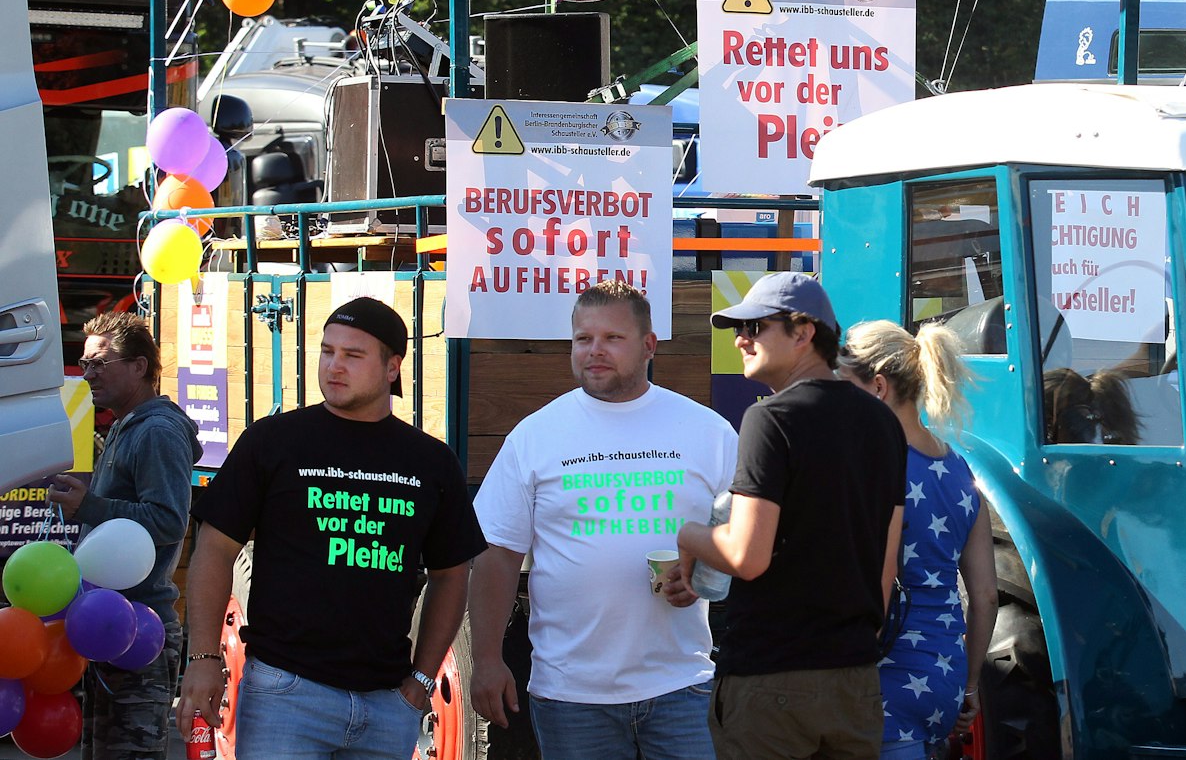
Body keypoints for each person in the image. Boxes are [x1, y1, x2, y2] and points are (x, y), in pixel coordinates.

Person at [176, 297, 486, 760]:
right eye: (327, 351)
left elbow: (451, 574)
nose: (333, 366)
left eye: (353, 355)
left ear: (392, 367)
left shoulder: (430, 461)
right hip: (286, 697)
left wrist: (420, 683)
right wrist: (203, 658)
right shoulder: (273, 442)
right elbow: (215, 548)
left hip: (387, 706)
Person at [469, 282, 737, 759]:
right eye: (582, 339)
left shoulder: (707, 430)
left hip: (683, 685)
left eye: (613, 338)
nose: (595, 351)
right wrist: (486, 658)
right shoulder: (536, 435)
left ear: (649, 345)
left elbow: (741, 534)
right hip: (572, 695)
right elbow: (498, 552)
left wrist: (704, 578)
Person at [677, 272, 906, 760]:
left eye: (756, 327)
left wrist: (689, 536)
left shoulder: (770, 418)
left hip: (771, 683)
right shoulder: (883, 420)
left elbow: (747, 555)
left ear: (803, 333)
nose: (741, 340)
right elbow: (886, 566)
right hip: (855, 682)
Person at [837, 321, 996, 760]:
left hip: (882, 677)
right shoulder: (961, 470)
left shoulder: (870, 466)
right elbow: (984, 596)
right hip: (944, 676)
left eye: (845, 388)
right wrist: (970, 685)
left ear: (878, 388)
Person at [48, 313, 201, 760]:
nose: (89, 373)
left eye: (100, 362)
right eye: (85, 362)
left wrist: (90, 506)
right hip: (110, 622)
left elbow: (168, 521)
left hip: (139, 627)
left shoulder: (155, 431)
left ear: (139, 367)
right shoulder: (126, 424)